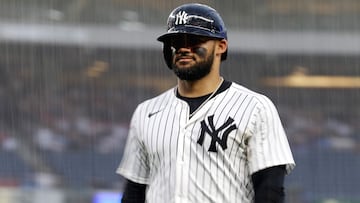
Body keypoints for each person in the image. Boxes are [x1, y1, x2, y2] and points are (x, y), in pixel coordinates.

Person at [116, 3, 295, 203]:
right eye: (176, 41)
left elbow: (270, 191)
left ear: (221, 46)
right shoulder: (146, 111)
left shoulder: (255, 107)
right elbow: (134, 191)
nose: (183, 48)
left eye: (193, 40)